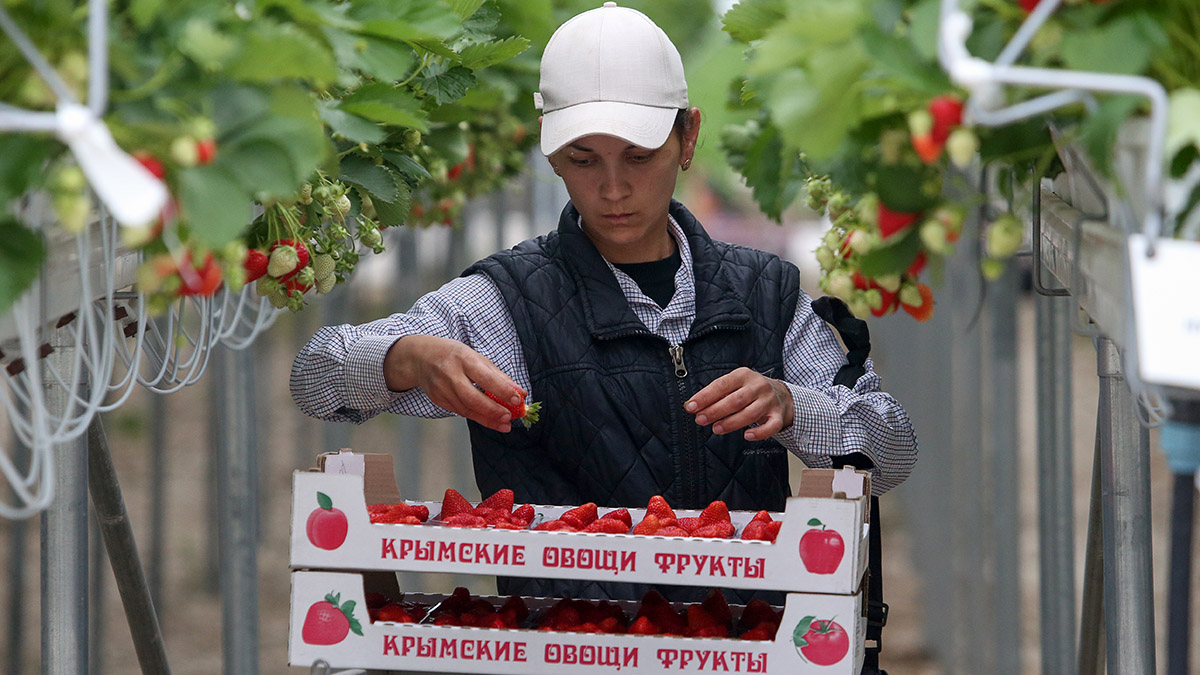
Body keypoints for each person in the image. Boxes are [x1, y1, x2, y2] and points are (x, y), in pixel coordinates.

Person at [291, 2, 917, 603]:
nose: (613, 188)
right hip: (566, 646)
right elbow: (317, 376)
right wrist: (404, 357)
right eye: (583, 159)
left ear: (688, 136)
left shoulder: (765, 297)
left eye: (639, 157)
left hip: (738, 646)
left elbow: (891, 449)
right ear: (550, 150)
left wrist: (791, 404)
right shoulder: (508, 302)